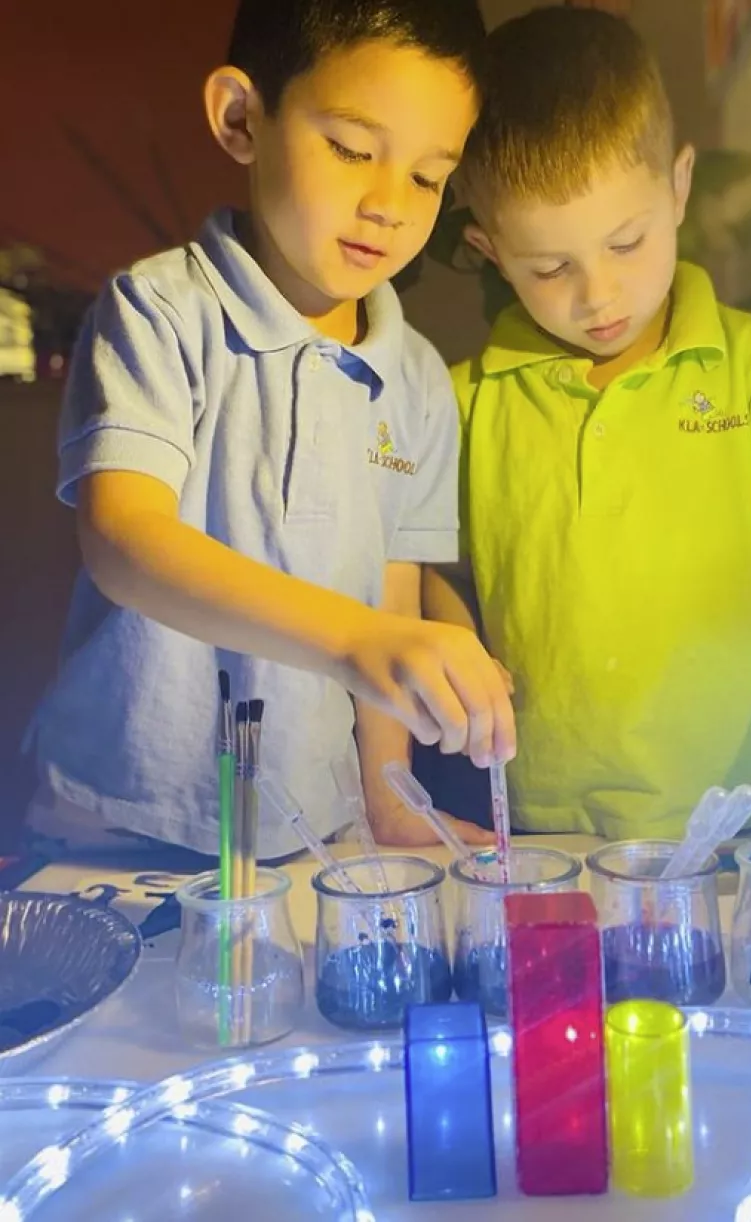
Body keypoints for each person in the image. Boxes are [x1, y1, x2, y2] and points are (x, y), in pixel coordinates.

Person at [25, 0, 511, 860]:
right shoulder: (161, 312)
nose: (389, 205)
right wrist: (357, 640)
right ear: (242, 117)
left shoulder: (419, 383)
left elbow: (389, 597)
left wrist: (388, 797)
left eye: (430, 177)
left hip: (310, 829)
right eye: (354, 150)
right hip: (121, 818)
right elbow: (123, 537)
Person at [424, 6, 751, 837]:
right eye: (550, 267)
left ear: (679, 187)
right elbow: (436, 572)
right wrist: (455, 650)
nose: (597, 295)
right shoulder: (461, 402)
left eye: (628, 242)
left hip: (741, 824)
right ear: (491, 250)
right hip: (548, 833)